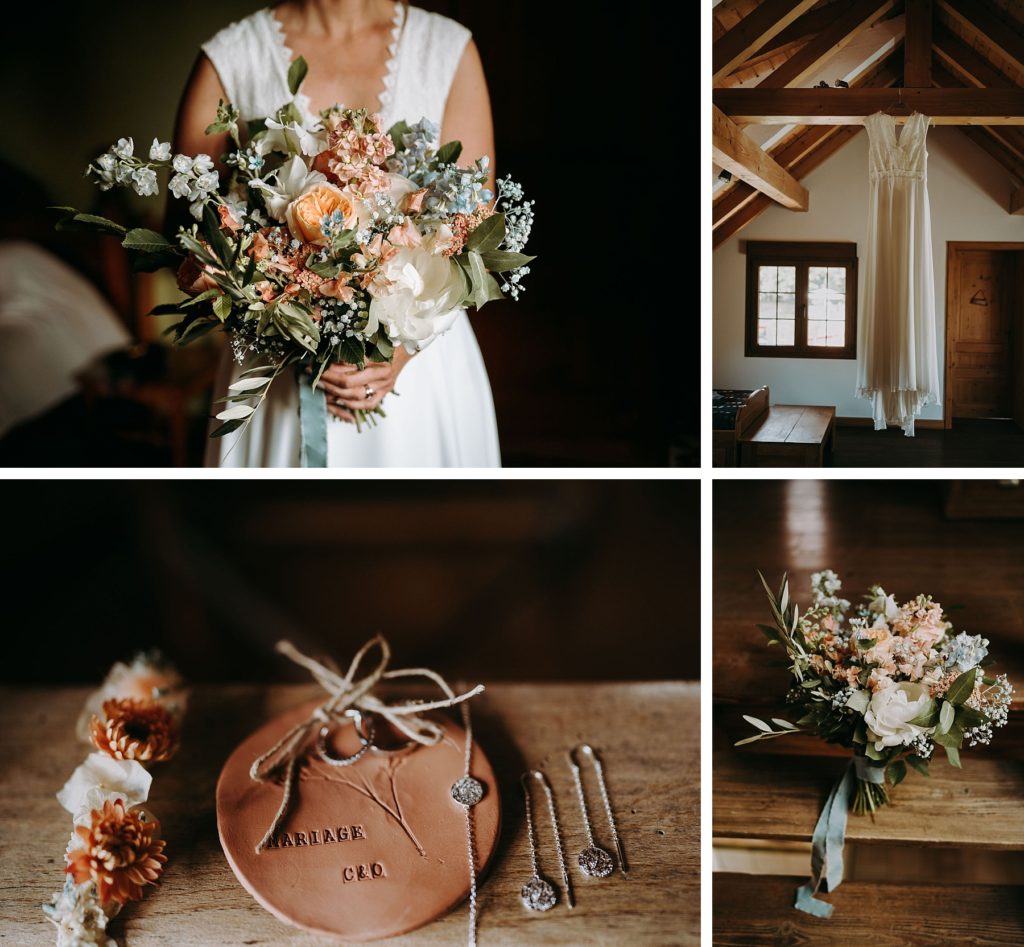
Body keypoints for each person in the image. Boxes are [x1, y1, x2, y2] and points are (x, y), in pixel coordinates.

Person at [173, 0, 501, 466]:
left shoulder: (447, 50)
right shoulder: (231, 57)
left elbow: (473, 235)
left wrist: (400, 353)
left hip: (421, 373)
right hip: (275, 377)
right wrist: (280, 315)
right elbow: (187, 239)